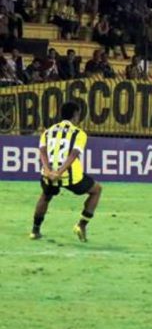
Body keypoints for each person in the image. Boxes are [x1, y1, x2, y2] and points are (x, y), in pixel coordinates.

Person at [31, 102, 103, 242]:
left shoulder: (48, 131)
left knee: (45, 196)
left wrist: (47, 170)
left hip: (49, 174)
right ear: (75, 115)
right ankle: (81, 225)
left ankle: (35, 230)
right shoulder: (79, 133)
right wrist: (60, 172)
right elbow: (73, 154)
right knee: (96, 190)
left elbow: (42, 151)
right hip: (71, 176)